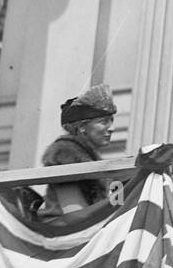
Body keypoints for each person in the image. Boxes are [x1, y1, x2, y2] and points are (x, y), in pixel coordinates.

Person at [37, 83, 118, 222]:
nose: (112, 128)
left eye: (111, 121)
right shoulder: (65, 156)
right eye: (103, 122)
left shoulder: (90, 159)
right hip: (63, 235)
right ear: (82, 127)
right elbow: (75, 215)